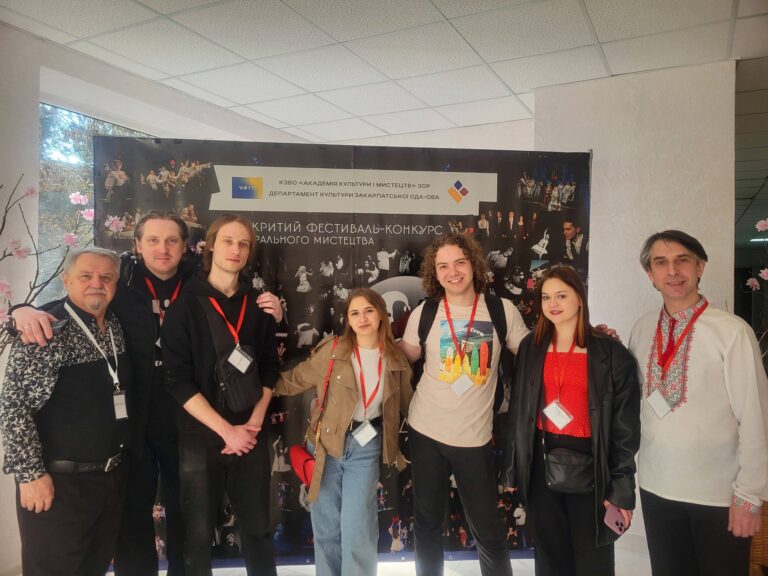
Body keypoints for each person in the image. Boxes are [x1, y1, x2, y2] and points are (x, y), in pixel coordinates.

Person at [11, 212, 283, 576]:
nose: (163, 249)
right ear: (137, 245)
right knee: (132, 522)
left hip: (189, 424)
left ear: (186, 246)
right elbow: (73, 303)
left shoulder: (199, 281)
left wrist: (271, 306)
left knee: (190, 523)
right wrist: (21, 310)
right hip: (132, 426)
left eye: (172, 240)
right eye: (153, 240)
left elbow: (242, 303)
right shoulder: (117, 282)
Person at [628, 230, 768, 576]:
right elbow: (631, 400)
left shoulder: (731, 331)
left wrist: (749, 496)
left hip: (719, 497)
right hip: (656, 488)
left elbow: (757, 416)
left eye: (682, 261)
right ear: (650, 274)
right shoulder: (642, 329)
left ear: (700, 267)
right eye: (661, 263)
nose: (673, 271)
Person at [398, 232, 530, 576]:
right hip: (426, 431)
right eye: (443, 266)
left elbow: (536, 353)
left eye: (459, 262)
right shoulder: (425, 312)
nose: (453, 272)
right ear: (434, 272)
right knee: (427, 524)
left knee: (487, 530)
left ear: (473, 264)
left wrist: (588, 338)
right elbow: (403, 356)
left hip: (474, 438)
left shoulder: (501, 311)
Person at [1, 247, 131, 576]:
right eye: (86, 276)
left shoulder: (114, 325)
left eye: (106, 277)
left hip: (108, 480)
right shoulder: (45, 330)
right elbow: (14, 407)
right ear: (66, 280)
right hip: (58, 485)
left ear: (116, 283)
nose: (96, 284)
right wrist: (30, 476)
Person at [503, 265, 641, 576]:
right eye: (546, 297)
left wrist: (621, 491)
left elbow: (626, 432)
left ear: (580, 297)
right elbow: (519, 413)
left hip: (593, 470)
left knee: (593, 562)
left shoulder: (611, 354)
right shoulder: (531, 348)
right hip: (541, 466)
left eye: (562, 296)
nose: (553, 304)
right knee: (550, 560)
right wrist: (512, 470)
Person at [162, 214, 279, 576]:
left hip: (251, 435)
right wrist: (227, 431)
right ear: (211, 245)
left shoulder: (259, 305)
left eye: (243, 244)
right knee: (197, 536)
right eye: (228, 241)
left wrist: (253, 424)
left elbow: (269, 368)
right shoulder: (184, 306)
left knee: (259, 531)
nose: (235, 250)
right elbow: (178, 381)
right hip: (200, 437)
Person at [276, 288, 413, 576]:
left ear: (381, 314)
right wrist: (257, 388)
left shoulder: (396, 359)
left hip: (366, 447)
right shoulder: (333, 350)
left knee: (358, 528)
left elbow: (411, 405)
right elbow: (294, 380)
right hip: (325, 446)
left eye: (369, 311)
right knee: (325, 528)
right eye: (355, 313)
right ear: (348, 319)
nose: (362, 318)